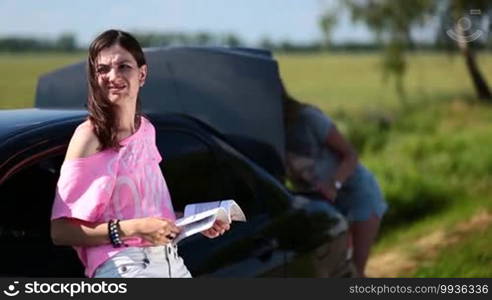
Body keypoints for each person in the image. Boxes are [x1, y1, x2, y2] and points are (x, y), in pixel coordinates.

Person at [50, 29, 230, 278]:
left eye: (123, 66)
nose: (113, 76)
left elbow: (146, 214)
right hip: (123, 266)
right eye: (103, 69)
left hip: (171, 262)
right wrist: (135, 229)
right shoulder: (89, 136)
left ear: (142, 74)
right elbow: (60, 231)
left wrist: (196, 222)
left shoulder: (146, 129)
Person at [282, 83, 388, 277]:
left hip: (357, 196)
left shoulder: (308, 118)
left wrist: (333, 184)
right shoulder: (272, 132)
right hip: (325, 207)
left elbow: (351, 155)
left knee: (355, 270)